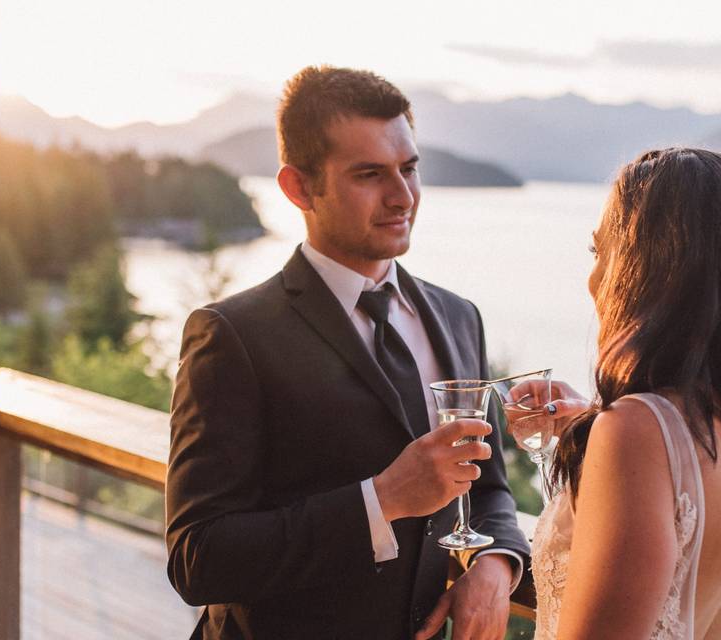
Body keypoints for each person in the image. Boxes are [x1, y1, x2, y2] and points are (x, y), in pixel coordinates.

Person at [165, 65, 529, 640]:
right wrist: (381, 500)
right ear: (298, 188)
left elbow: (487, 487)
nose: (402, 196)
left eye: (409, 168)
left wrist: (498, 562)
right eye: (369, 175)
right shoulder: (231, 335)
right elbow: (198, 557)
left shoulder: (460, 318)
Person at [527, 148, 721, 639]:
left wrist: (613, 431)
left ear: (648, 267)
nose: (593, 278)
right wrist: (590, 424)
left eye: (602, 252)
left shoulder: (637, 433)